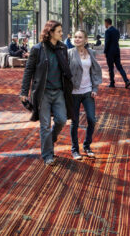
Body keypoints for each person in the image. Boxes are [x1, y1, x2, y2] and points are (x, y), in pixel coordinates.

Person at [20, 20, 73, 166]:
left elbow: (66, 69)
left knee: (62, 120)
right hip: (43, 93)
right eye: (59, 32)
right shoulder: (38, 49)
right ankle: (48, 155)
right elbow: (28, 70)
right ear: (50, 33)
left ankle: (50, 140)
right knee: (45, 126)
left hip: (59, 92)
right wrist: (24, 91)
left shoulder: (63, 48)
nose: (62, 34)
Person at [67, 30, 102, 160]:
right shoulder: (69, 53)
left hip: (88, 92)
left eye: (80, 37)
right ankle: (75, 149)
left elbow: (95, 71)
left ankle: (87, 146)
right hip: (73, 93)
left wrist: (95, 87)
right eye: (75, 37)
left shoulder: (91, 53)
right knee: (74, 122)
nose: (77, 39)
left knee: (92, 120)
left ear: (86, 40)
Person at [103, 18, 130, 89]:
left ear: (107, 23)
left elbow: (107, 42)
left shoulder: (107, 31)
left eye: (105, 23)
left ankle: (112, 83)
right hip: (116, 51)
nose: (104, 25)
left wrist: (105, 51)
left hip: (110, 52)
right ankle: (126, 80)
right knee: (119, 67)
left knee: (110, 68)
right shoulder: (116, 31)